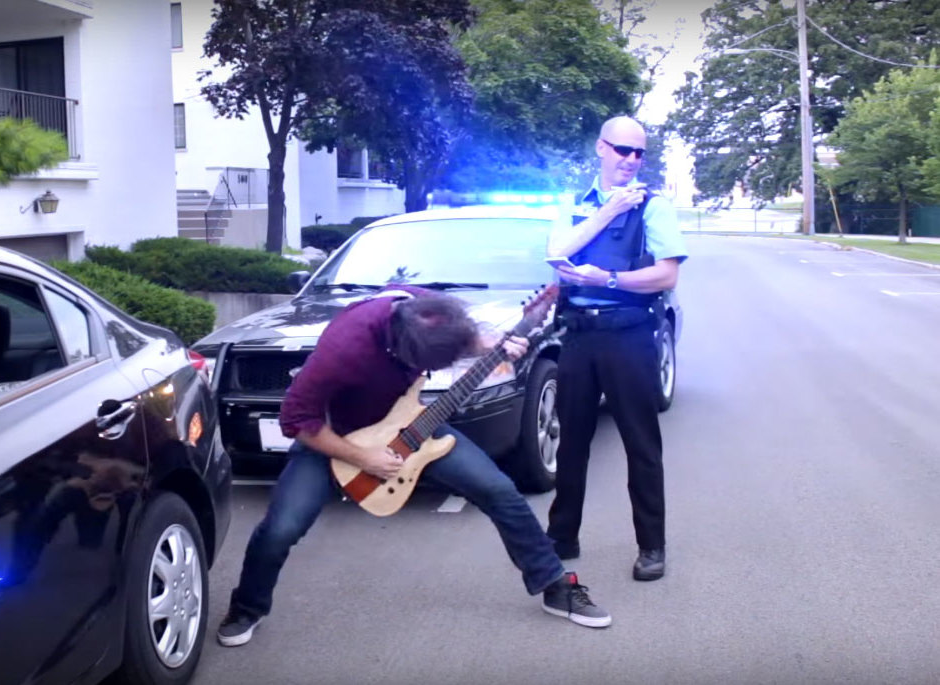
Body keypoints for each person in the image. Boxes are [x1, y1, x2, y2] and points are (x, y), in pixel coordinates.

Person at [216, 287, 611, 648]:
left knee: (500, 490)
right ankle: (247, 607)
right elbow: (295, 420)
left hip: (409, 426)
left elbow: (466, 339)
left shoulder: (430, 309)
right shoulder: (346, 345)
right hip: (334, 438)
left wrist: (491, 344)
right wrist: (362, 457)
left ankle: (555, 586)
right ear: (404, 353)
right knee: (282, 526)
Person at [544, 115, 688, 582]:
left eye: (639, 153)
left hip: (630, 335)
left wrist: (607, 278)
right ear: (600, 149)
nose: (631, 161)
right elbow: (557, 256)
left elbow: (666, 275)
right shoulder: (572, 204)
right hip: (580, 336)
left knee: (640, 445)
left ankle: (652, 547)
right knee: (572, 445)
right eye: (622, 150)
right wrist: (606, 213)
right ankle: (562, 537)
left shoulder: (653, 208)